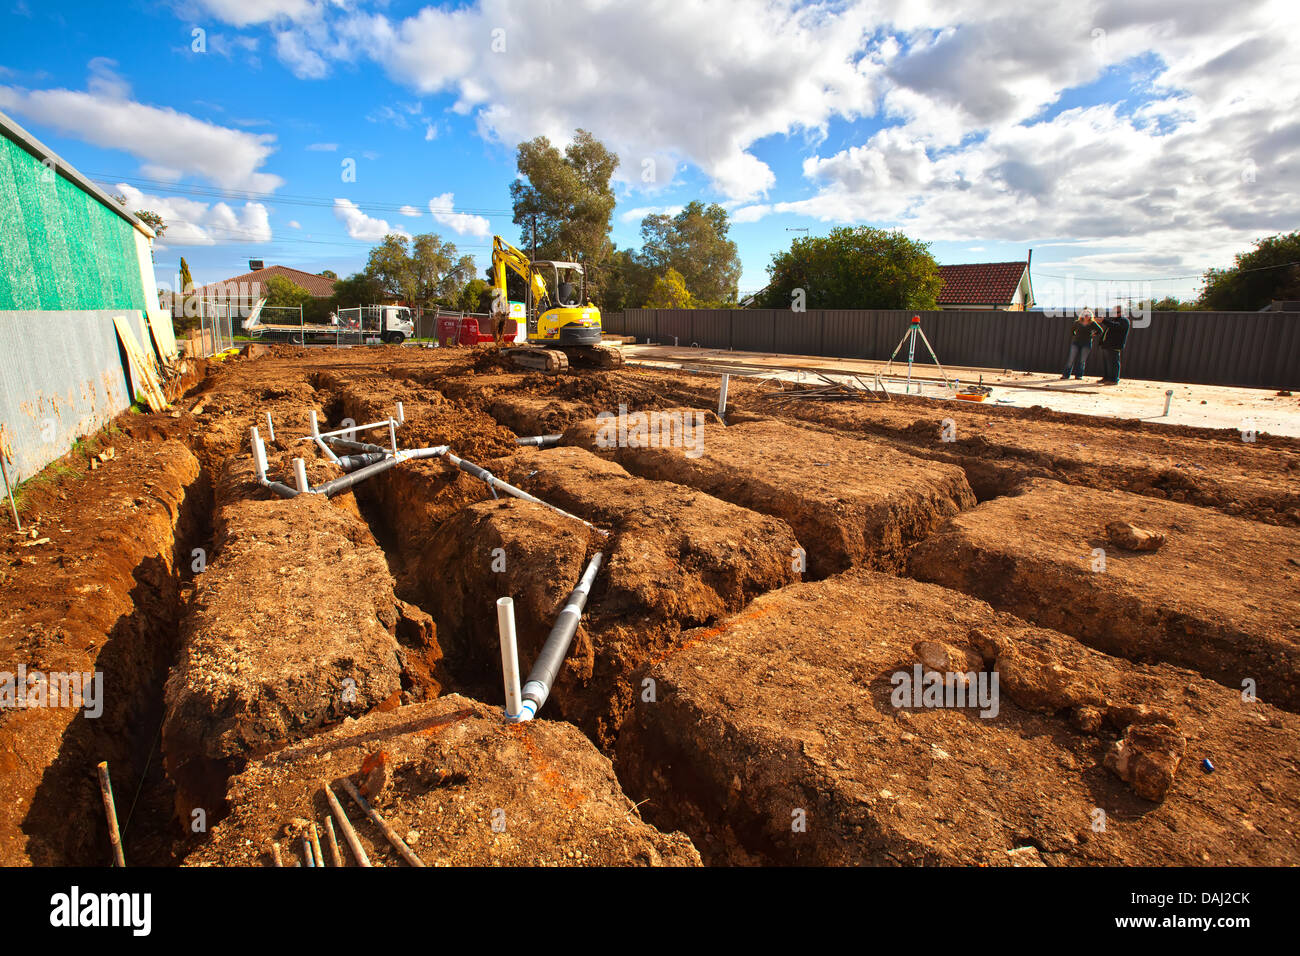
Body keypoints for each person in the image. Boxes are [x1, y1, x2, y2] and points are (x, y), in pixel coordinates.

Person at [1096, 305, 1130, 384]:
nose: (1116, 313)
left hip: (1114, 345)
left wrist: (1103, 321)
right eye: (1114, 312)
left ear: (1123, 312)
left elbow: (1116, 326)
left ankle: (1114, 380)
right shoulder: (1114, 320)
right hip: (1107, 345)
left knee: (1113, 363)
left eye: (1117, 312)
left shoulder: (1124, 320)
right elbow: (1108, 331)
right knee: (1107, 363)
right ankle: (1106, 378)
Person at [1062, 309, 1096, 379]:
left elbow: (1100, 331)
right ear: (1082, 315)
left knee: (1082, 360)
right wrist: (1075, 336)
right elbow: (1072, 330)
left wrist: (1093, 334)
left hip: (1086, 344)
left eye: (1088, 315)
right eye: (1085, 314)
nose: (1086, 316)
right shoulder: (1077, 322)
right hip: (1076, 343)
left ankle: (1079, 375)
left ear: (1090, 316)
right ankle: (1066, 375)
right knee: (1071, 359)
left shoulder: (1092, 323)